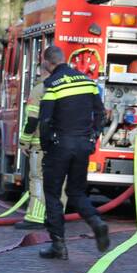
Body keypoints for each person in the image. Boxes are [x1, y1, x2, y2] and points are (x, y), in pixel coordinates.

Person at [25, 45, 110, 259]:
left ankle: (58, 246)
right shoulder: (88, 83)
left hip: (59, 147)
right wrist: (93, 137)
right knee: (77, 192)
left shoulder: (52, 85)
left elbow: (44, 121)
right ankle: (96, 222)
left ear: (47, 62)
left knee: (53, 194)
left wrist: (46, 147)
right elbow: (100, 114)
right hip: (83, 146)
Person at [14, 64, 47, 230]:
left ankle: (36, 216)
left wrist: (24, 142)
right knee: (57, 182)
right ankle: (53, 215)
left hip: (39, 145)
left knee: (38, 179)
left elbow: (32, 120)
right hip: (61, 145)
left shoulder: (40, 89)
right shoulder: (65, 88)